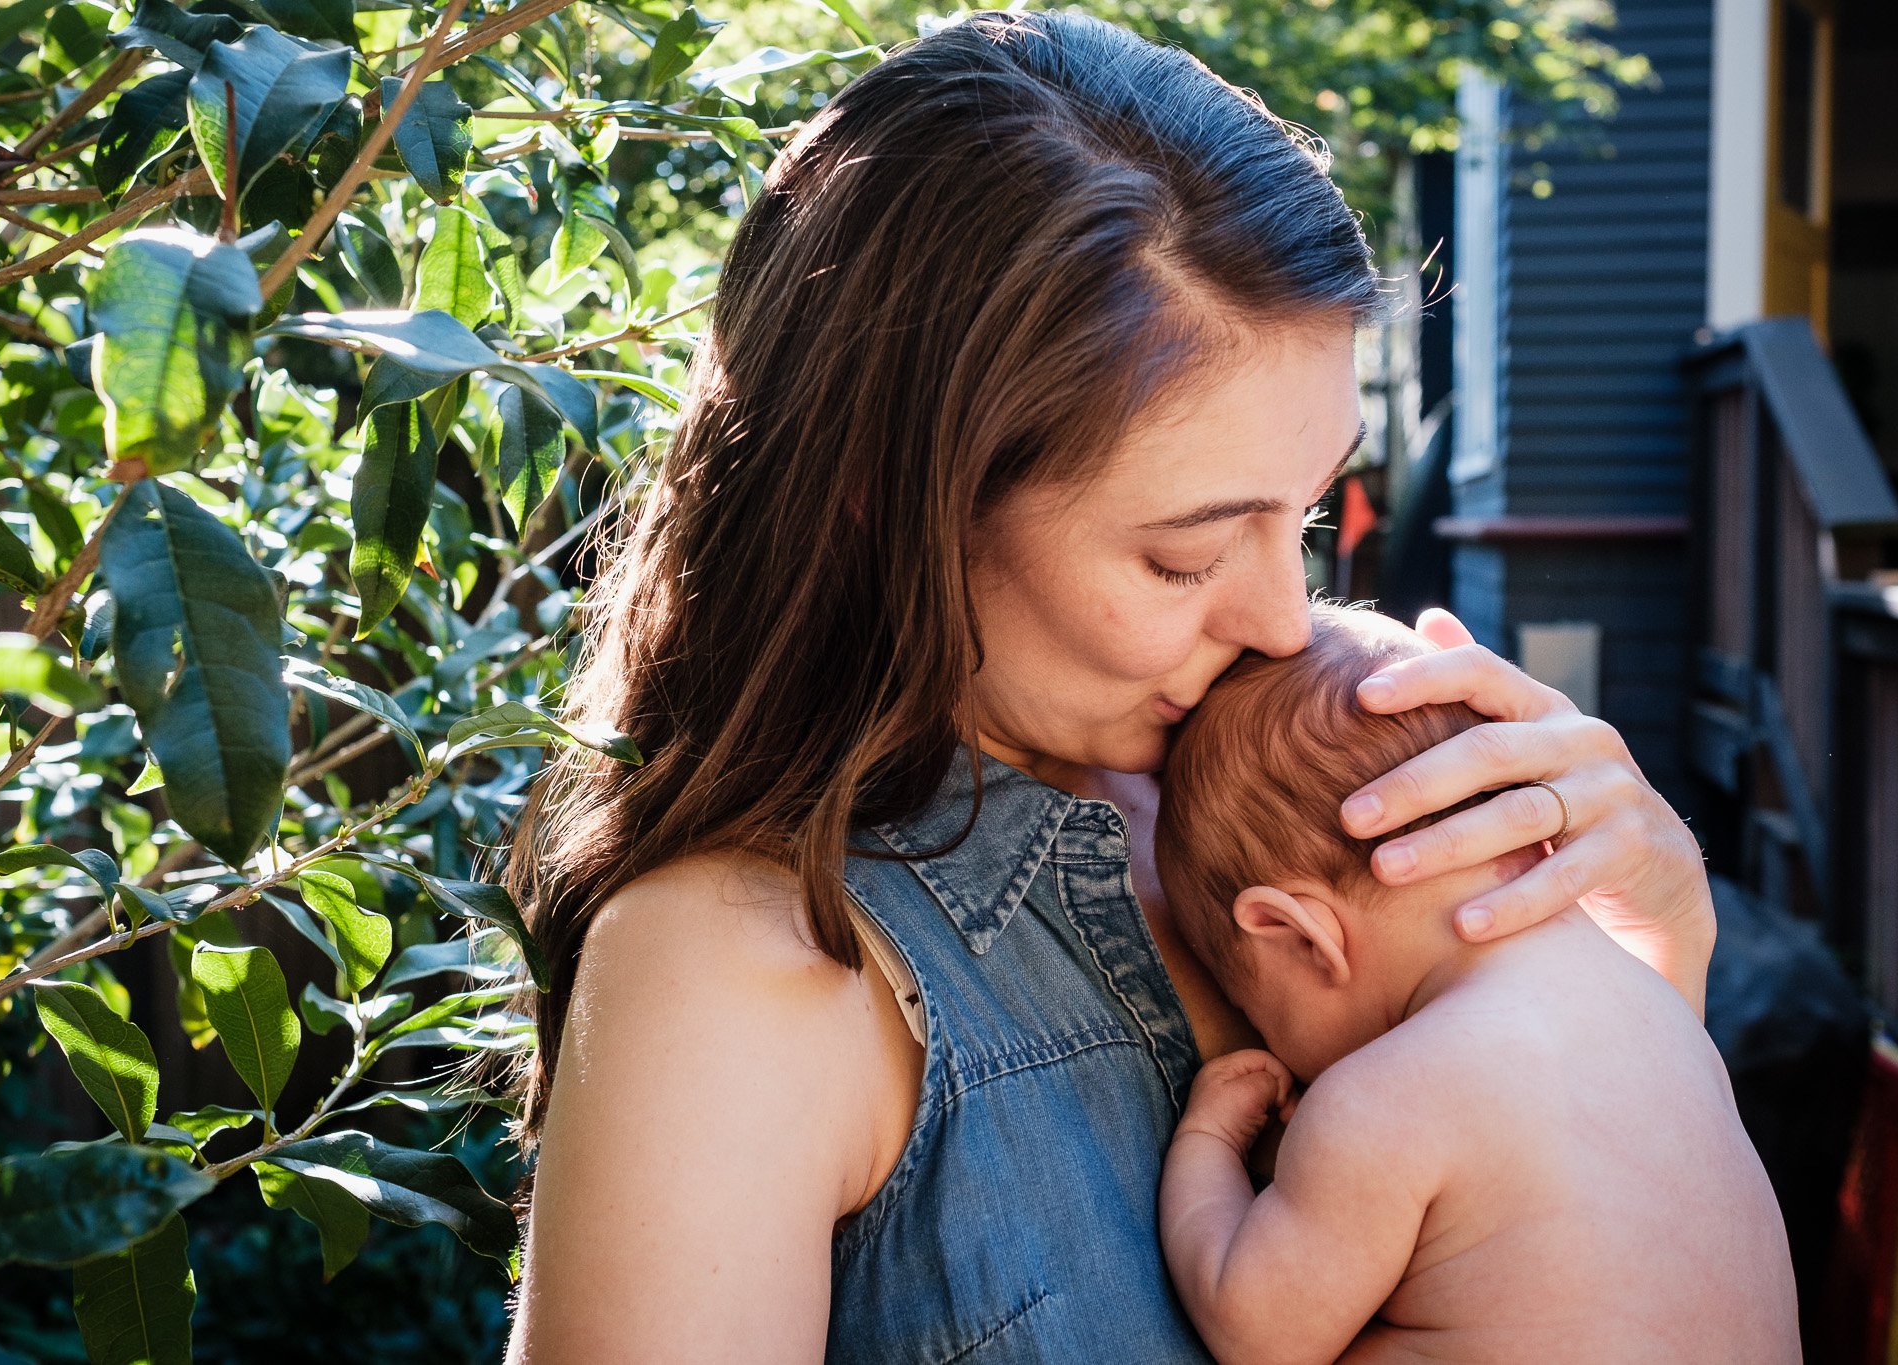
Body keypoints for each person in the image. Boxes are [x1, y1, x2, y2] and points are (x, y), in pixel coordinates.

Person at [501, 10, 1719, 1362]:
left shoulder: (1330, 812)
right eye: (1186, 551)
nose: (1279, 619)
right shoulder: (746, 965)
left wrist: (1652, 955)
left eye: (1309, 514)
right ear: (884, 504)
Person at [1152, 603, 1798, 1364]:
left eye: (1248, 1004)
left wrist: (1208, 1141)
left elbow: (1255, 1328)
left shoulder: (1379, 1103)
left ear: (1297, 935)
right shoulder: (1659, 1004)